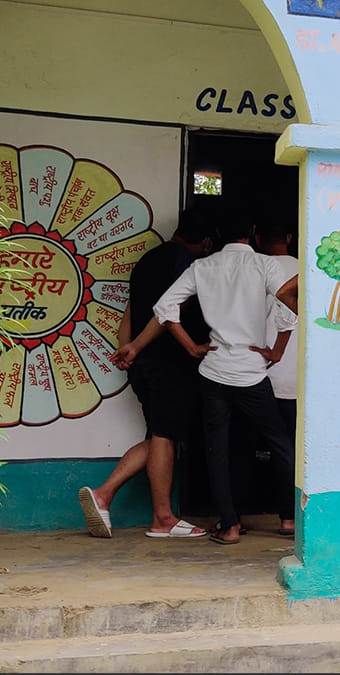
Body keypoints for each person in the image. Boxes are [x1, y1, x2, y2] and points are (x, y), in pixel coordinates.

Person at [116, 213, 300, 545]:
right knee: (281, 444)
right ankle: (295, 518)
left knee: (218, 448)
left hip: (213, 369)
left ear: (217, 235)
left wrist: (190, 346)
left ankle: (229, 526)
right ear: (253, 232)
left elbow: (165, 308)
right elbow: (289, 308)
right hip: (250, 369)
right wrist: (277, 350)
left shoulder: (202, 267)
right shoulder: (264, 266)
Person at [78, 209, 214, 539]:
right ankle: (162, 518)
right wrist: (136, 348)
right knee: (165, 436)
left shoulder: (146, 260)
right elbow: (169, 308)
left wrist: (127, 348)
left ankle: (104, 495)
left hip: (144, 365)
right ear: (207, 242)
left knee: (157, 437)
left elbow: (130, 308)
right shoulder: (184, 260)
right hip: (167, 362)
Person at [250, 221, 300, 535]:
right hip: (301, 378)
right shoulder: (306, 273)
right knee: (293, 449)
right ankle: (289, 517)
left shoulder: (253, 273)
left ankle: (235, 516)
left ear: (257, 237)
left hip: (259, 375)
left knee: (256, 447)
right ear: (289, 238)